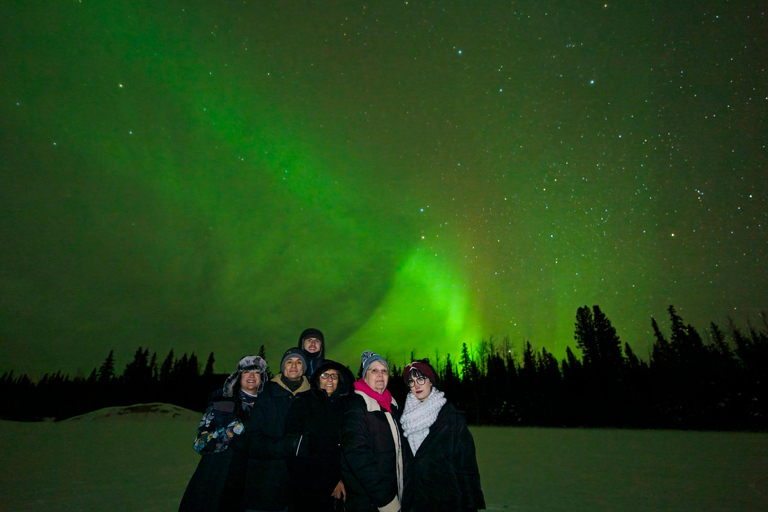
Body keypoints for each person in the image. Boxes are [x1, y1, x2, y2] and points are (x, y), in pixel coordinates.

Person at [179, 355, 268, 512]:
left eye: (257, 372)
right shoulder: (221, 404)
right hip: (217, 480)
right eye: (246, 372)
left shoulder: (268, 408)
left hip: (250, 486)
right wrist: (233, 430)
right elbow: (200, 444)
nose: (252, 376)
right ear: (238, 376)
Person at [399, 359, 485, 512]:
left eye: (420, 378)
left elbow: (466, 464)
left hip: (446, 500)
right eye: (411, 381)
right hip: (414, 501)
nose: (416, 385)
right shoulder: (405, 419)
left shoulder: (450, 418)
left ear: (431, 381)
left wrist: (470, 503)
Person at [242, 347, 311, 512]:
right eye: (289, 361)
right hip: (264, 487)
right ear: (283, 367)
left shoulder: (312, 398)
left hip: (299, 492)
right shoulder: (266, 395)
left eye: (299, 362)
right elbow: (252, 442)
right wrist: (288, 445)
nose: (294, 365)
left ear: (304, 368)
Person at [284, 360, 356, 511]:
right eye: (325, 375)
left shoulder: (346, 407)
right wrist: (328, 481)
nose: (330, 379)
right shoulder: (302, 405)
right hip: (306, 488)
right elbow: (294, 449)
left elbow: (348, 446)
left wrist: (342, 479)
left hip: (338, 488)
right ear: (317, 379)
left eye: (334, 376)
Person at [341, 350, 404, 512]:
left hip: (393, 490)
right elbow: (358, 456)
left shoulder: (391, 405)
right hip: (369, 499)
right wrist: (385, 500)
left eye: (384, 371)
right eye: (374, 371)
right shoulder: (357, 406)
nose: (380, 375)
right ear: (364, 375)